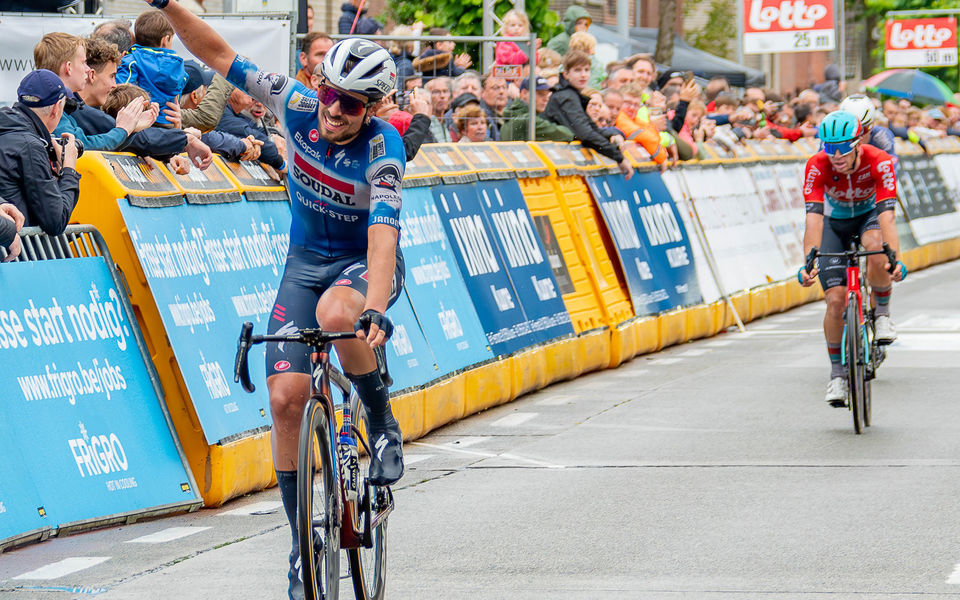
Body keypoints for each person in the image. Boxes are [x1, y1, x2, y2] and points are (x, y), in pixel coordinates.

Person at [141, 5, 407, 600]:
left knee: (338, 318)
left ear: (376, 108)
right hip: (305, 263)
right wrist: (168, 5)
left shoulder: (385, 149)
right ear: (319, 85)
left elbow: (383, 238)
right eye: (333, 94)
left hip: (359, 265)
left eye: (355, 104)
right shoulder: (293, 101)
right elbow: (215, 52)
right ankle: (298, 548)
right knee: (286, 398)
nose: (338, 110)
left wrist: (377, 309)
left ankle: (383, 423)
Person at [799, 111, 905, 406]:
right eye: (828, 147)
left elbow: (887, 216)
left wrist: (893, 259)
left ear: (858, 143)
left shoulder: (878, 160)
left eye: (842, 148)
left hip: (868, 216)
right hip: (834, 223)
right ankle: (837, 375)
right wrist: (809, 263)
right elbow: (813, 220)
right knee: (835, 300)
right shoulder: (816, 165)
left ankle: (881, 314)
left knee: (875, 247)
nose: (835, 155)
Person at [0, 69, 80, 236]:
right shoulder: (30, 146)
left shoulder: (8, 129)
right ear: (57, 108)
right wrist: (69, 169)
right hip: (19, 254)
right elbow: (55, 222)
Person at [543, 51, 633, 179]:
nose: (583, 75)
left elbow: (592, 129)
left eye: (586, 70)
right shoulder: (566, 97)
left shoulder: (572, 95)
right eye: (578, 70)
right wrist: (619, 157)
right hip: (554, 164)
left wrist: (612, 135)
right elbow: (585, 134)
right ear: (566, 74)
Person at [117, 10, 188, 127]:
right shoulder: (178, 66)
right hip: (169, 121)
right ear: (165, 40)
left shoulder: (132, 60)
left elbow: (122, 89)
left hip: (141, 121)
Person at [500, 75, 573, 142]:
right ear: (524, 93)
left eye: (547, 94)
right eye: (540, 94)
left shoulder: (516, 115)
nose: (546, 99)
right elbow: (568, 134)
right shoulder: (528, 120)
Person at [838, 94, 897, 161]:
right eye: (849, 130)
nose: (857, 137)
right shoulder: (832, 137)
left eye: (862, 130)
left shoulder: (881, 136)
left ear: (872, 126)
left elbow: (891, 164)